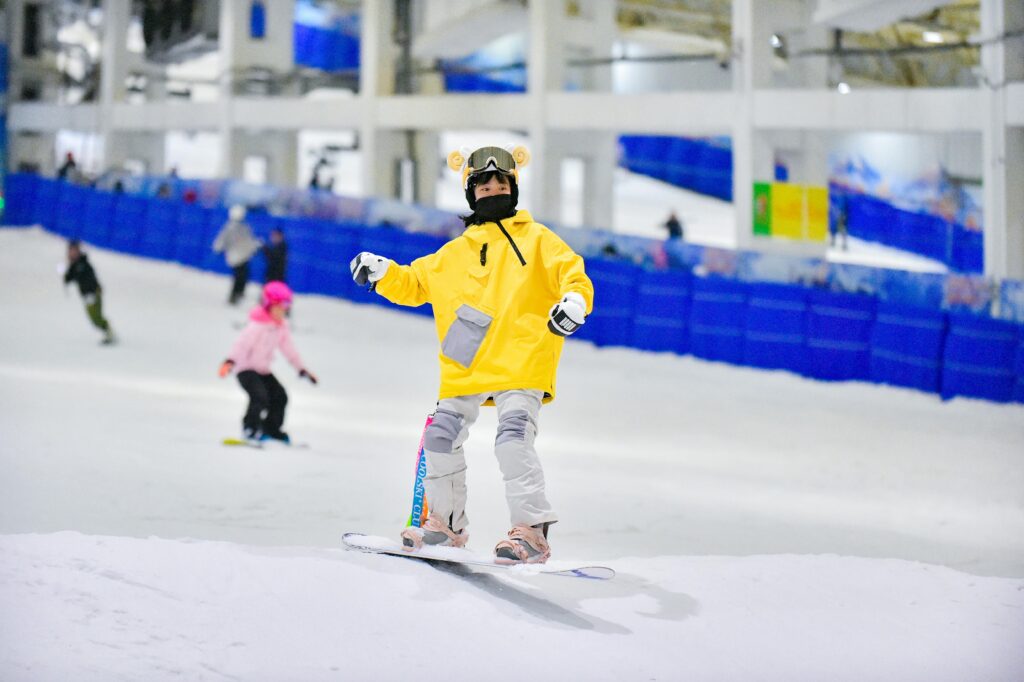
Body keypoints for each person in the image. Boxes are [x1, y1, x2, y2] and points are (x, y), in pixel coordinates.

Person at [349, 145, 594, 565]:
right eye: (484, 184)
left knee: (512, 440)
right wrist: (385, 272)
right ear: (471, 193)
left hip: (522, 357)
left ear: (514, 189)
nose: (493, 189)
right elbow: (415, 284)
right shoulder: (454, 253)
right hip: (466, 363)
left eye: (502, 183)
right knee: (440, 436)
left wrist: (574, 301)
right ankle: (445, 525)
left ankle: (531, 533)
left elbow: (571, 273)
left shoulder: (537, 240)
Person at [218, 281, 318, 444]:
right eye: (278, 306)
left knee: (280, 396)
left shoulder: (280, 327)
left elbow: (289, 349)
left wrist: (301, 369)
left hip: (262, 370)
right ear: (268, 305)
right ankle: (250, 428)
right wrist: (230, 361)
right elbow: (241, 344)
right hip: (246, 369)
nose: (282, 310)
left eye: (285, 306)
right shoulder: (257, 325)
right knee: (259, 397)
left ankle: (271, 429)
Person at [63, 240, 116, 345]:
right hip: (87, 295)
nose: (72, 253)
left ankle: (109, 332)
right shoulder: (74, 265)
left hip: (93, 293)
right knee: (93, 318)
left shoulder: (83, 263)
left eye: (74, 250)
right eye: (71, 251)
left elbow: (87, 276)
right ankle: (108, 330)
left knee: (96, 317)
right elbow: (68, 278)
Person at [212, 204, 261, 305]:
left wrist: (255, 247)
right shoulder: (230, 228)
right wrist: (218, 248)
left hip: (243, 256)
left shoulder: (244, 227)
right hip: (236, 256)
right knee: (239, 276)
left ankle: (238, 294)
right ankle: (234, 295)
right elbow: (222, 240)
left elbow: (248, 241)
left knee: (242, 276)